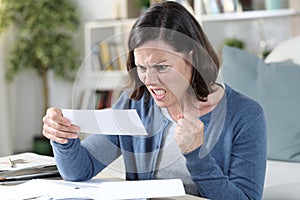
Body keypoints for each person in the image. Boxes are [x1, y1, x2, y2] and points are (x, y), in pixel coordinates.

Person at [42, 2, 267, 199]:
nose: (149, 80)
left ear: (191, 58)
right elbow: (79, 171)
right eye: (142, 67)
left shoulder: (244, 115)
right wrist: (63, 136)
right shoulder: (136, 105)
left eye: (161, 67)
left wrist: (197, 155)